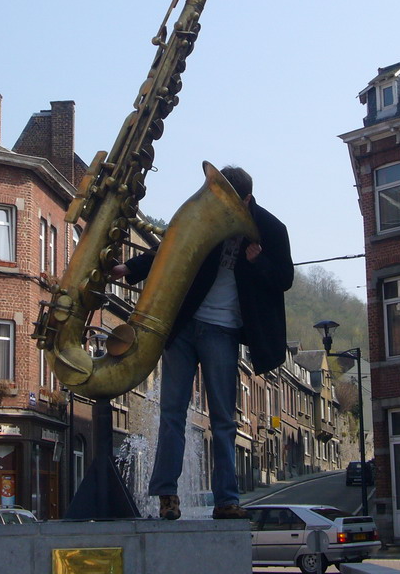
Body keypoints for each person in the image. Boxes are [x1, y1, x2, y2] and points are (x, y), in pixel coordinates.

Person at [111, 165, 293, 520]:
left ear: (247, 199)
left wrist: (259, 263)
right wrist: (130, 269)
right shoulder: (206, 217)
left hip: (223, 331)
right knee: (172, 413)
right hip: (183, 326)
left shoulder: (270, 229)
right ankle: (166, 495)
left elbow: (284, 279)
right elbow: (171, 248)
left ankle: (226, 500)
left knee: (224, 420)